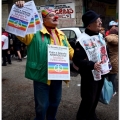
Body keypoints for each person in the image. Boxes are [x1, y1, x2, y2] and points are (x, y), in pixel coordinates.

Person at [15, 1, 74, 120]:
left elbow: (70, 50)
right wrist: (19, 10)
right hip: (41, 76)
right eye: (51, 15)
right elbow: (19, 30)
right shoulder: (33, 33)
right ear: (43, 19)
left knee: (55, 102)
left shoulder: (61, 34)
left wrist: (80, 57)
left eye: (56, 15)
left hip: (57, 75)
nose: (55, 17)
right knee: (42, 106)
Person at [72, 10, 110, 120]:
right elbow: (76, 59)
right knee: (88, 100)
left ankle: (92, 115)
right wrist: (91, 65)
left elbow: (104, 52)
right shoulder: (82, 40)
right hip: (89, 77)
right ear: (89, 24)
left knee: (96, 98)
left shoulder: (99, 36)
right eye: (97, 21)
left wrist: (108, 64)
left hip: (101, 73)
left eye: (100, 20)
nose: (100, 23)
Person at [105, 29, 118, 96]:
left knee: (111, 79)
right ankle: (112, 90)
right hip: (112, 62)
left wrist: (103, 38)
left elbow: (110, 38)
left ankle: (113, 91)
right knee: (110, 78)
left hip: (113, 62)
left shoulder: (115, 39)